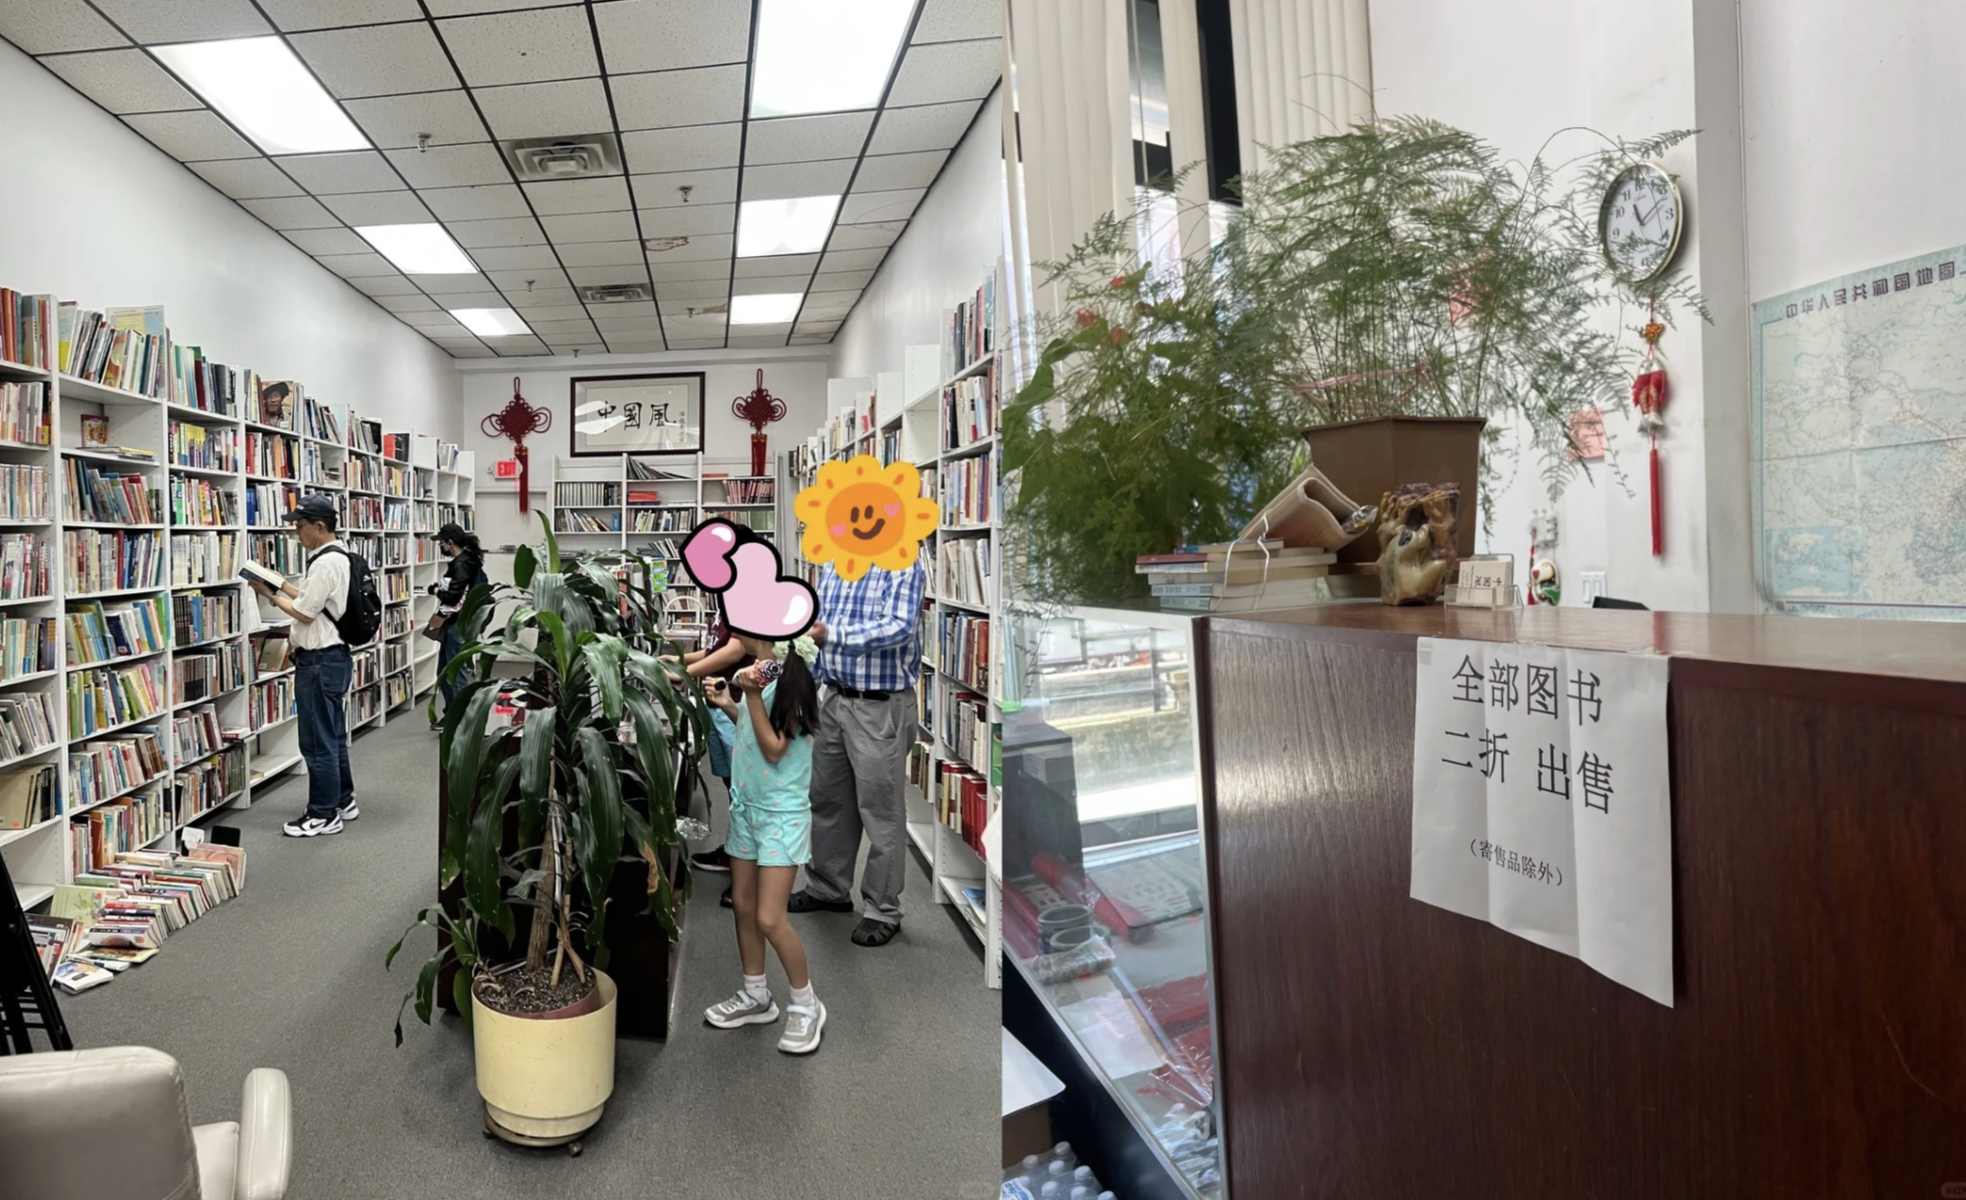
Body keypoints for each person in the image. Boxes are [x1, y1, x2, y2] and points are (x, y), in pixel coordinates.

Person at [788, 557, 927, 947]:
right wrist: (803, 689)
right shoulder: (834, 562)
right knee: (827, 799)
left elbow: (898, 628)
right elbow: (815, 634)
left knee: (881, 810)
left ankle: (883, 908)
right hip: (834, 698)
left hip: (879, 704)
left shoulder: (903, 561)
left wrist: (830, 634)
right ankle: (828, 888)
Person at [702, 634, 826, 1055]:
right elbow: (756, 733)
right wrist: (731, 705)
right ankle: (756, 995)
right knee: (744, 905)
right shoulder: (761, 678)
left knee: (771, 917)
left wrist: (751, 695)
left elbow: (775, 749)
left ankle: (806, 1004)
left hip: (780, 816)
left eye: (744, 631)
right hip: (747, 807)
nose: (737, 637)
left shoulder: (793, 682)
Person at [249, 494, 356, 838]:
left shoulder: (324, 563)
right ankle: (343, 800)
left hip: (319, 662)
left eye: (300, 526)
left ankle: (323, 814)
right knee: (334, 735)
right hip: (334, 658)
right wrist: (281, 583)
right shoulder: (337, 557)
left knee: (316, 742)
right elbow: (313, 600)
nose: (296, 533)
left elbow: (305, 613)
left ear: (319, 527)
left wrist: (268, 595)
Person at [427, 522, 487, 726]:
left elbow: (452, 598)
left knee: (455, 672)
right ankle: (453, 714)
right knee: (445, 672)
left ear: (450, 543)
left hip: (457, 625)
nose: (440, 547)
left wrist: (435, 591)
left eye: (441, 543)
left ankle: (461, 720)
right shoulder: (466, 561)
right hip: (456, 622)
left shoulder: (462, 565)